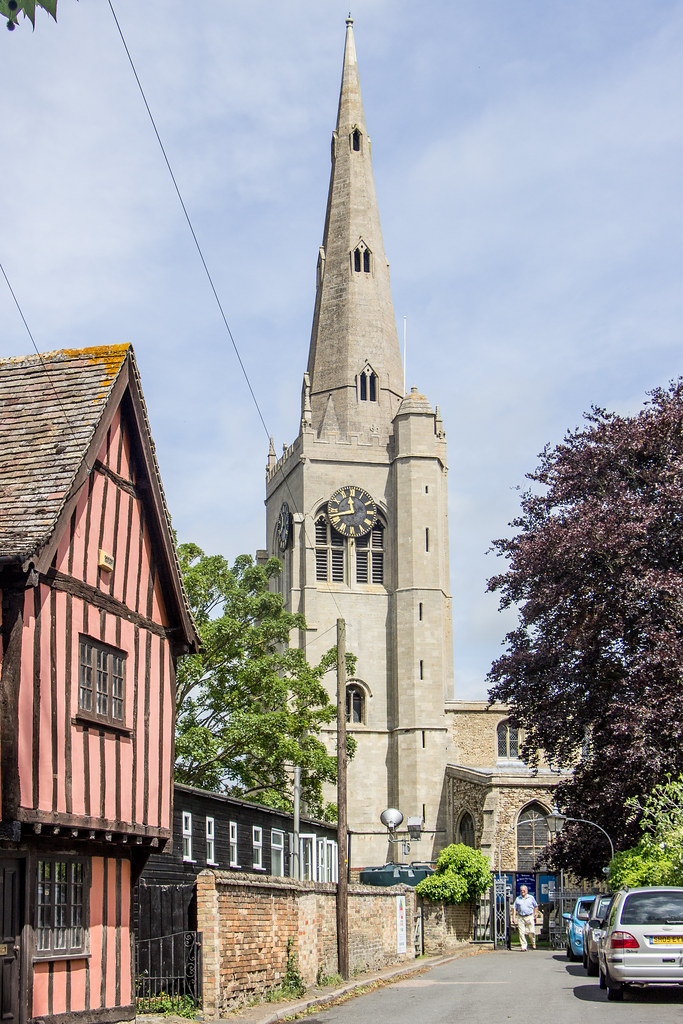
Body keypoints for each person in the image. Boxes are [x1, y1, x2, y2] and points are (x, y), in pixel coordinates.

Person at [511, 885, 538, 950]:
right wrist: (513, 917)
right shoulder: (518, 898)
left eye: (524, 890)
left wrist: (535, 914)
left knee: (531, 932)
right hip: (521, 917)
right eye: (521, 891)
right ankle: (523, 946)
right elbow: (514, 908)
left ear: (526, 891)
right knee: (521, 933)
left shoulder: (531, 898)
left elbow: (536, 906)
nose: (522, 892)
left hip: (529, 916)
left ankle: (533, 943)